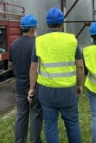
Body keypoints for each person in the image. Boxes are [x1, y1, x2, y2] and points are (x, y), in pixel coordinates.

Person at [28, 7, 84, 143]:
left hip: (46, 91)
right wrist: (80, 85)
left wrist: (32, 89)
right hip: (68, 91)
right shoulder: (72, 40)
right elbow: (80, 66)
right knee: (72, 123)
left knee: (50, 124)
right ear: (62, 23)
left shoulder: (39, 41)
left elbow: (33, 67)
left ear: (47, 24)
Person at [9, 15, 43, 143]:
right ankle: (35, 141)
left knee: (21, 114)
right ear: (33, 28)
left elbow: (10, 64)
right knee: (35, 113)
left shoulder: (14, 44)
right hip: (34, 83)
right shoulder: (36, 43)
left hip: (19, 83)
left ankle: (19, 141)